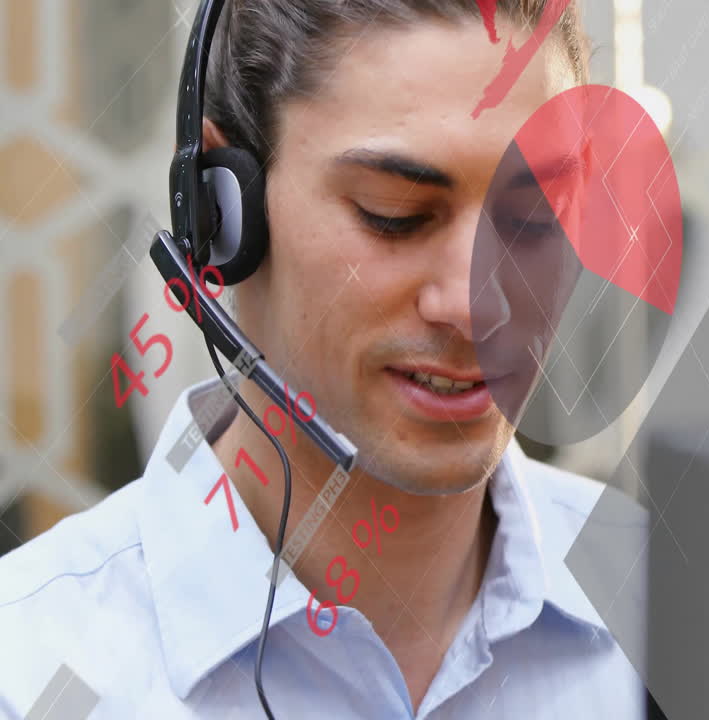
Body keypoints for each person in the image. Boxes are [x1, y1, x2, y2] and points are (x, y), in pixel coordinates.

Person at [0, 1, 647, 717]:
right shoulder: (31, 670)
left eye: (533, 215)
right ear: (220, 213)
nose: (478, 306)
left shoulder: (684, 610)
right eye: (394, 214)